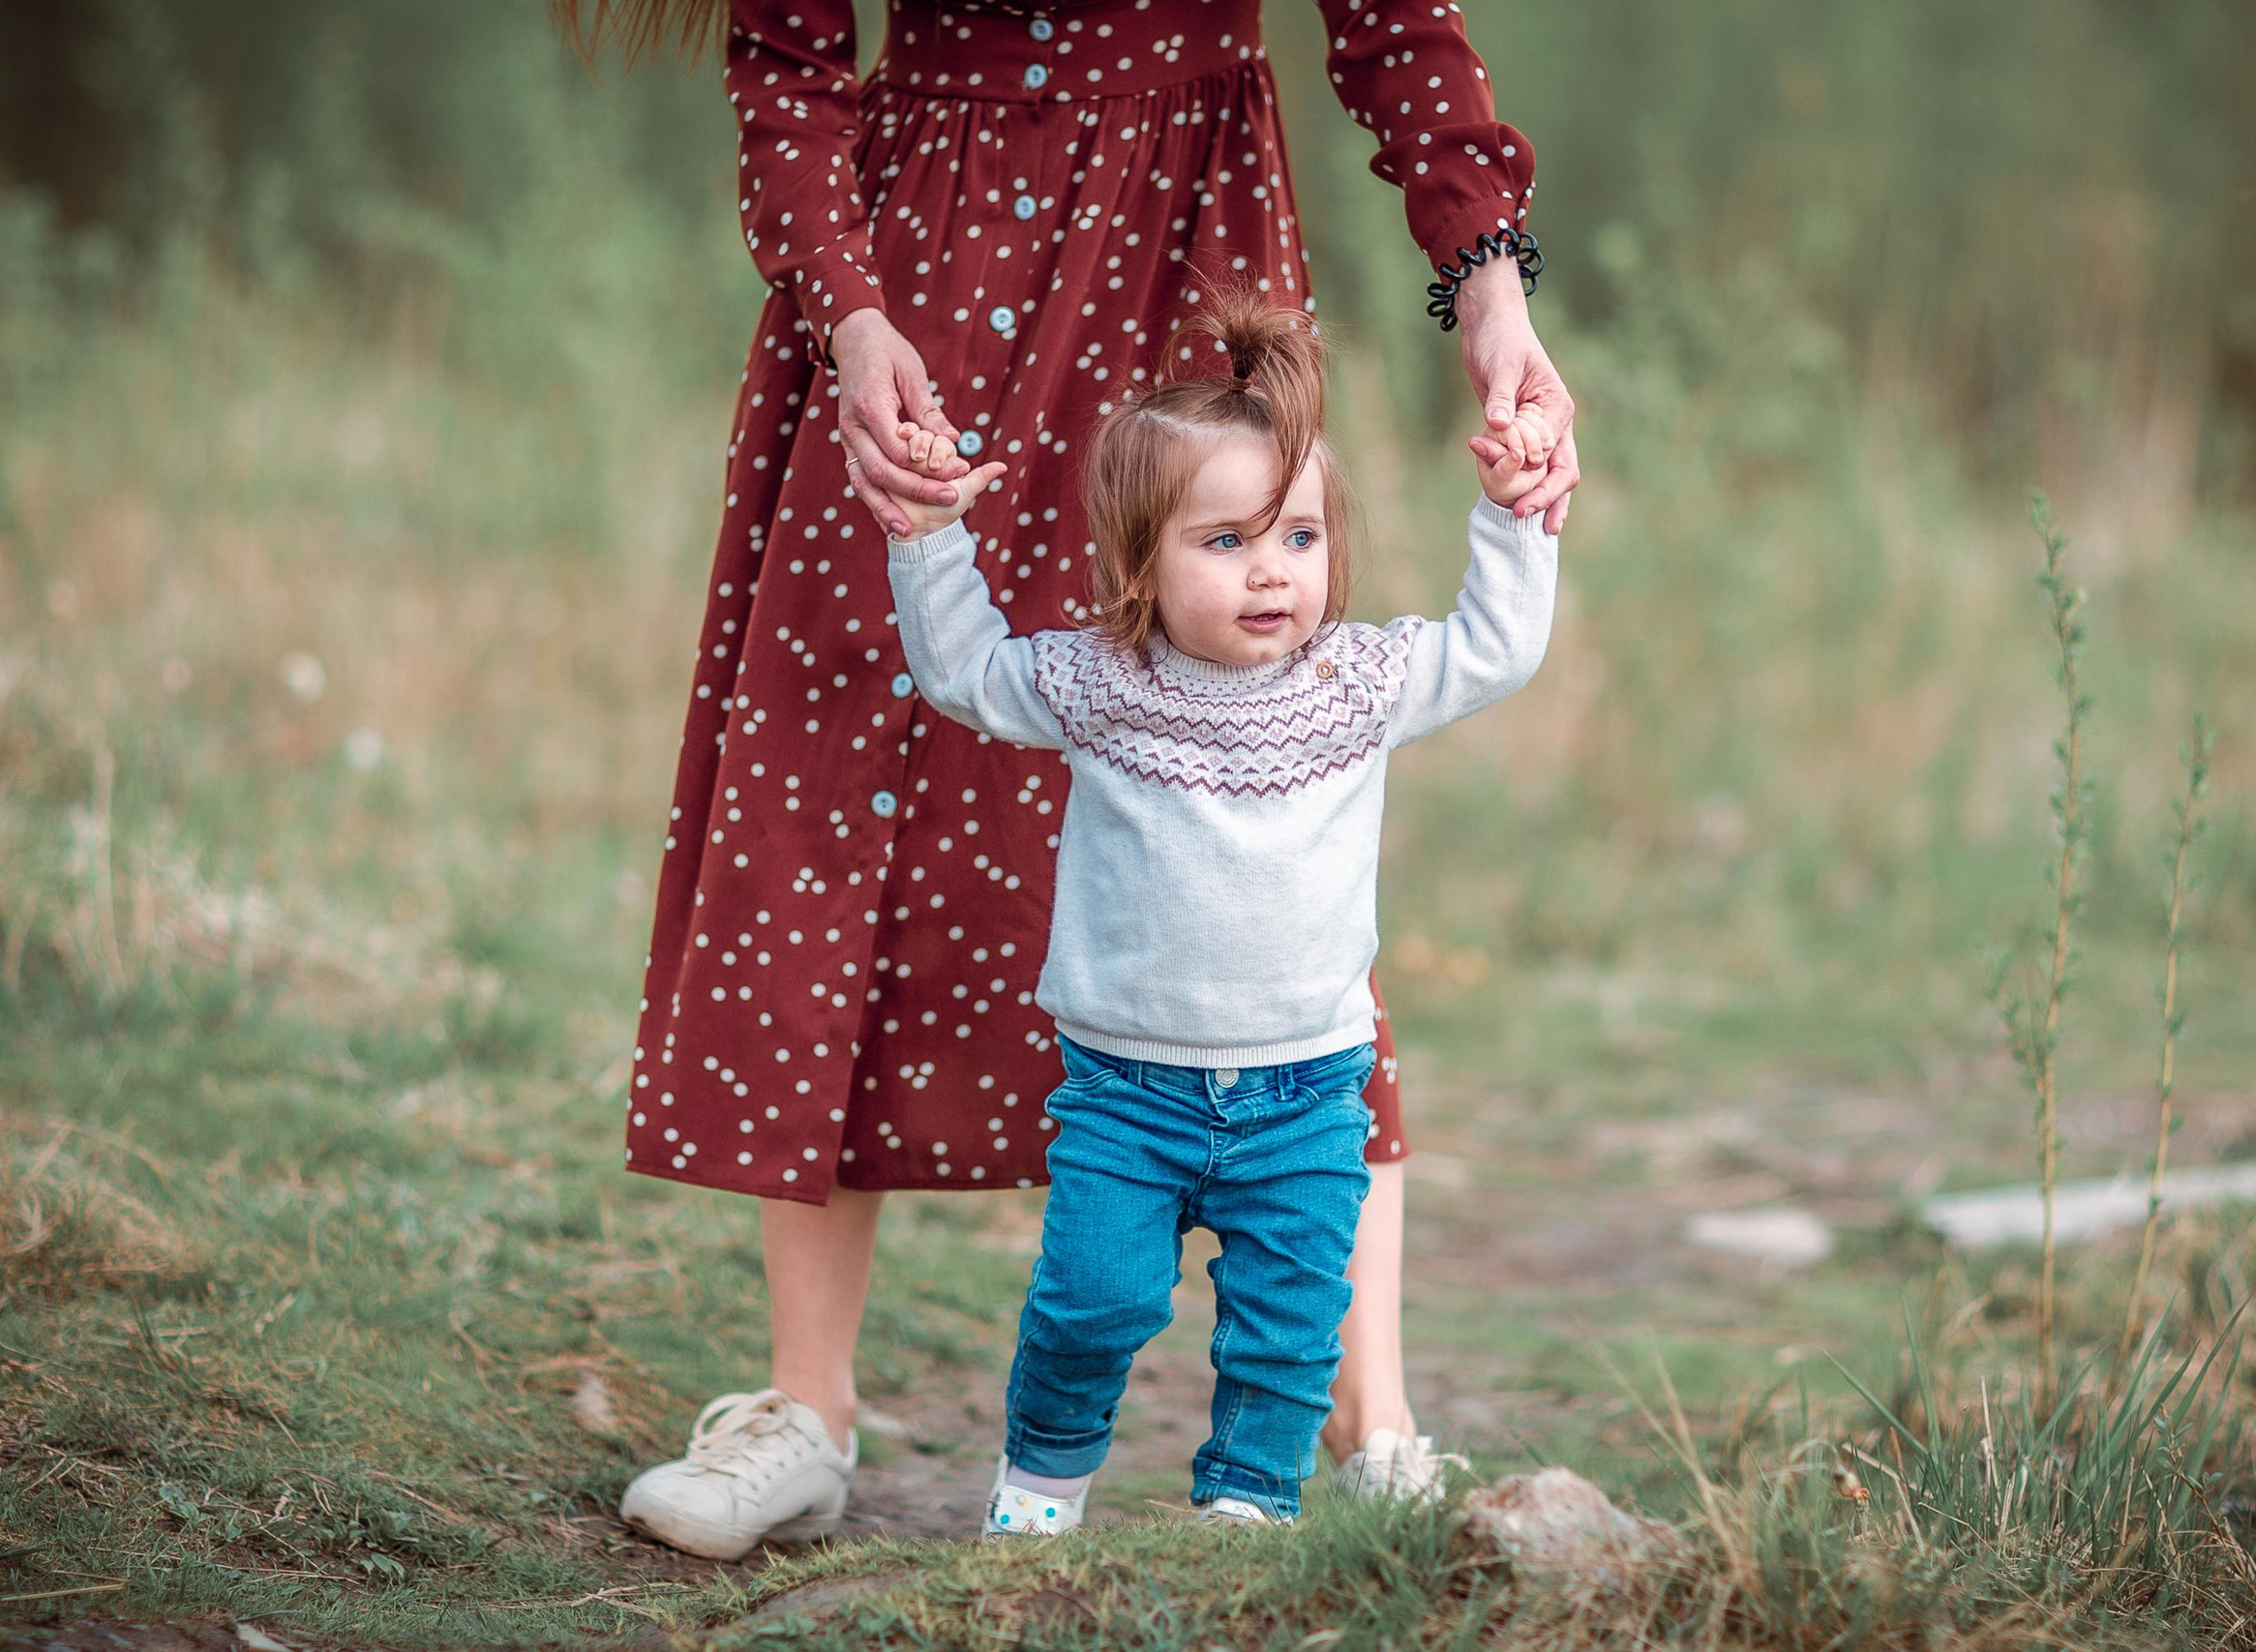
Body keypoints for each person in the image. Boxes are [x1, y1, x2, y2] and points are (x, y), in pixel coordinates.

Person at [554, 0, 1579, 1561]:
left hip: (1188, 241)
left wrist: (1493, 299)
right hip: (916, 284)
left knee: (1262, 762)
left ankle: (1370, 1423)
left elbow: (1397, 27)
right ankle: (804, 1407)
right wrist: (849, 313)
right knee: (844, 770)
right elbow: (790, 63)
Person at [878, 289, 1557, 1529]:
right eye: (1226, 541)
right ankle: (1037, 1495)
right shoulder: (1100, 682)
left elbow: (1494, 649)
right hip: (1123, 1091)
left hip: (1306, 1089)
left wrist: (1515, 514)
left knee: (1290, 1332)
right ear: (1141, 559)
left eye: (1298, 538)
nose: (1270, 571)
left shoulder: (1359, 680)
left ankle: (1243, 1514)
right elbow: (964, 673)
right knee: (1091, 1301)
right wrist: (927, 538)